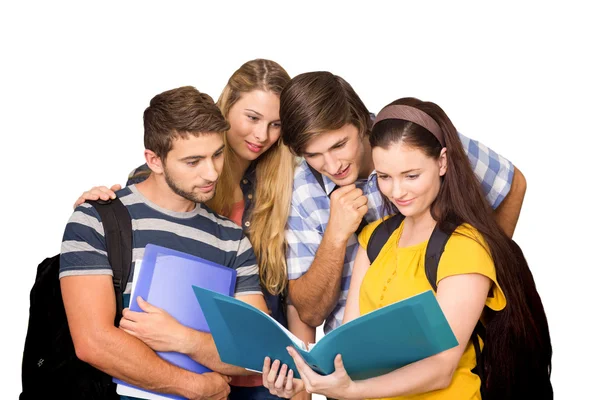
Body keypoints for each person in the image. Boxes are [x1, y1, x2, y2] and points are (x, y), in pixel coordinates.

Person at [264, 97, 552, 399]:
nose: (397, 191)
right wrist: (304, 382)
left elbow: (441, 368)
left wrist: (353, 391)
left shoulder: (466, 247)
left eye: (411, 176)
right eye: (385, 177)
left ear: (442, 162)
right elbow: (348, 348)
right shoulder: (374, 239)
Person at [73, 60, 308, 400]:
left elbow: (257, 343)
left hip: (251, 375)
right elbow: (95, 339)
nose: (211, 173)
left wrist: (185, 340)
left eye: (275, 125)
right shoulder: (114, 213)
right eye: (253, 118)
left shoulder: (250, 218)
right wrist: (98, 211)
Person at [277, 71, 527, 337]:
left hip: (443, 335)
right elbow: (310, 314)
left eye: (339, 145)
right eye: (313, 155)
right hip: (359, 348)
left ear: (360, 122)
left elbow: (511, 184)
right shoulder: (303, 188)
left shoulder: (408, 133)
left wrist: (477, 278)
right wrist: (335, 237)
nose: (332, 165)